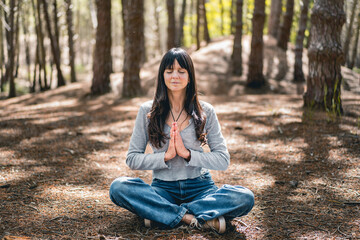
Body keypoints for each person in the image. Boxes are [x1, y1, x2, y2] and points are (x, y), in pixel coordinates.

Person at [109, 48, 254, 234]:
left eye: (181, 71)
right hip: (163, 189)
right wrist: (165, 157)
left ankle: (161, 215)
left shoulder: (205, 111)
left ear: (190, 76)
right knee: (118, 187)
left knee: (244, 197)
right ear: (162, 75)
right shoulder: (147, 112)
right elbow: (132, 158)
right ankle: (192, 218)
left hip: (201, 188)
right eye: (169, 71)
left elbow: (223, 159)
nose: (175, 76)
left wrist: (187, 155)